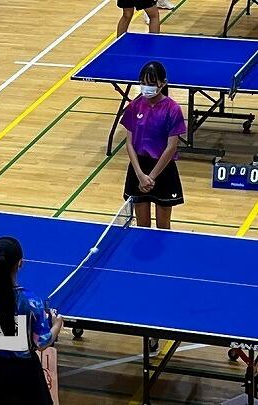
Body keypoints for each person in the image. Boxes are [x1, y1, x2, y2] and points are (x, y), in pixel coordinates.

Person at [120, 62, 186, 350]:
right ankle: (144, 274)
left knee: (162, 228)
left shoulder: (172, 109)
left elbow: (171, 147)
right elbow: (129, 143)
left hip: (163, 170)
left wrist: (152, 177)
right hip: (139, 170)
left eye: (151, 81)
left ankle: (163, 273)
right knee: (142, 227)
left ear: (162, 82)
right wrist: (139, 174)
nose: (146, 86)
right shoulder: (135, 105)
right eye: (143, 81)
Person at [0, 236, 64, 405]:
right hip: (24, 373)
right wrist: (57, 325)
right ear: (21, 263)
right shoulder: (31, 302)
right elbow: (42, 343)